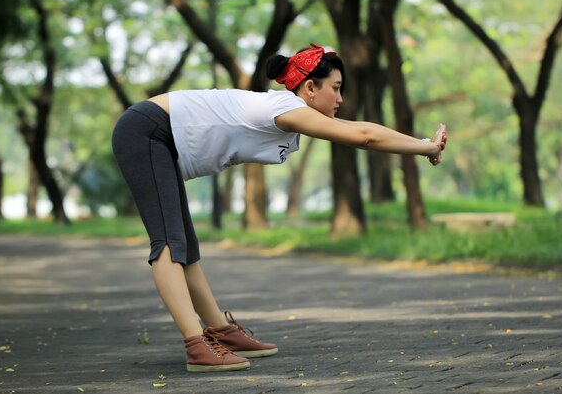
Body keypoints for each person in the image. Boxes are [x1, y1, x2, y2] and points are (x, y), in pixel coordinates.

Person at [111, 43, 447, 373]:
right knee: (169, 242)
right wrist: (424, 147)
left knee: (185, 244)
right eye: (336, 88)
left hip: (159, 134)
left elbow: (361, 131)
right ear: (310, 87)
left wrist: (422, 145)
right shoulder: (283, 109)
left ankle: (221, 332)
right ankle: (196, 345)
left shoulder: (288, 109)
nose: (341, 99)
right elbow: (363, 136)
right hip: (147, 131)